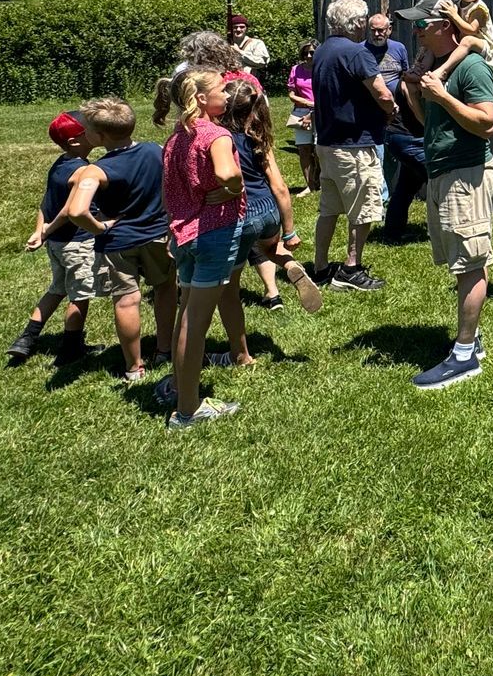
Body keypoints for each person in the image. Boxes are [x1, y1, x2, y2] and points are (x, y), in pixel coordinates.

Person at [401, 0, 493, 390]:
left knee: (471, 262)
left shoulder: (471, 67)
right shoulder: (438, 67)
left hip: (467, 172)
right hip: (443, 171)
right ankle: (471, 341)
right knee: (465, 260)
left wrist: (443, 94)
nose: (415, 30)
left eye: (421, 24)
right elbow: (431, 122)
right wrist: (418, 92)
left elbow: (487, 123)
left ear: (445, 25)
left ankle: (463, 357)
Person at [68, 98, 177, 382]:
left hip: (119, 243)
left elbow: (77, 211)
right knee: (165, 288)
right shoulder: (155, 150)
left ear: (100, 136)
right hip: (158, 234)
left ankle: (133, 367)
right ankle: (164, 350)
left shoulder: (96, 170)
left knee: (127, 301)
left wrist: (99, 227)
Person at [159, 69, 246, 428]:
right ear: (200, 99)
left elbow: (168, 190)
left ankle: (179, 386)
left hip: (185, 234)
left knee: (186, 315)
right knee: (197, 325)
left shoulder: (176, 138)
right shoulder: (216, 135)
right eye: (221, 91)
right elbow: (227, 175)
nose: (226, 96)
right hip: (213, 233)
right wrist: (234, 188)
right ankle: (187, 410)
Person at [7, 111, 110, 366]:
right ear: (75, 141)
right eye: (87, 129)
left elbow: (46, 202)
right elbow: (67, 210)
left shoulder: (60, 163)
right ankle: (70, 348)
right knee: (80, 295)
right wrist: (49, 229)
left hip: (57, 245)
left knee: (56, 289)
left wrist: (40, 231)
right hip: (77, 243)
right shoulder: (82, 170)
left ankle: (27, 338)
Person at [310, 0, 395, 291]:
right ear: (358, 23)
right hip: (355, 145)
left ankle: (319, 266)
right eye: (364, 20)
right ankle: (351, 269)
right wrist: (391, 110)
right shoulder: (357, 53)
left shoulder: (322, 50)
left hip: (327, 142)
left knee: (329, 209)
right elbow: (383, 94)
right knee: (364, 208)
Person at [219, 78, 322, 315]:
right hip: (267, 210)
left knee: (229, 286)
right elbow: (280, 187)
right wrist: (290, 231)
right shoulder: (258, 137)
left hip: (241, 210)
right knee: (270, 248)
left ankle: (239, 349)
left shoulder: (219, 140)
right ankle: (291, 266)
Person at [366, 10, 427, 243]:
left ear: (389, 29)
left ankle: (392, 232)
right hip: (397, 131)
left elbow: (404, 74)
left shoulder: (399, 50)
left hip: (406, 131)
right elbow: (405, 88)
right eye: (374, 30)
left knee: (406, 185)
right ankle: (447, 229)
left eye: (382, 29)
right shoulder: (363, 52)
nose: (378, 33)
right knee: (436, 174)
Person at [287, 39, 320, 197]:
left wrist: (315, 106)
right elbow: (291, 94)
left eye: (312, 52)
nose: (308, 56)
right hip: (301, 112)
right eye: (305, 52)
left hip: (320, 111)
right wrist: (308, 102)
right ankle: (309, 184)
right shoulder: (296, 69)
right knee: (304, 148)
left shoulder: (322, 69)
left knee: (319, 148)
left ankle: (321, 179)